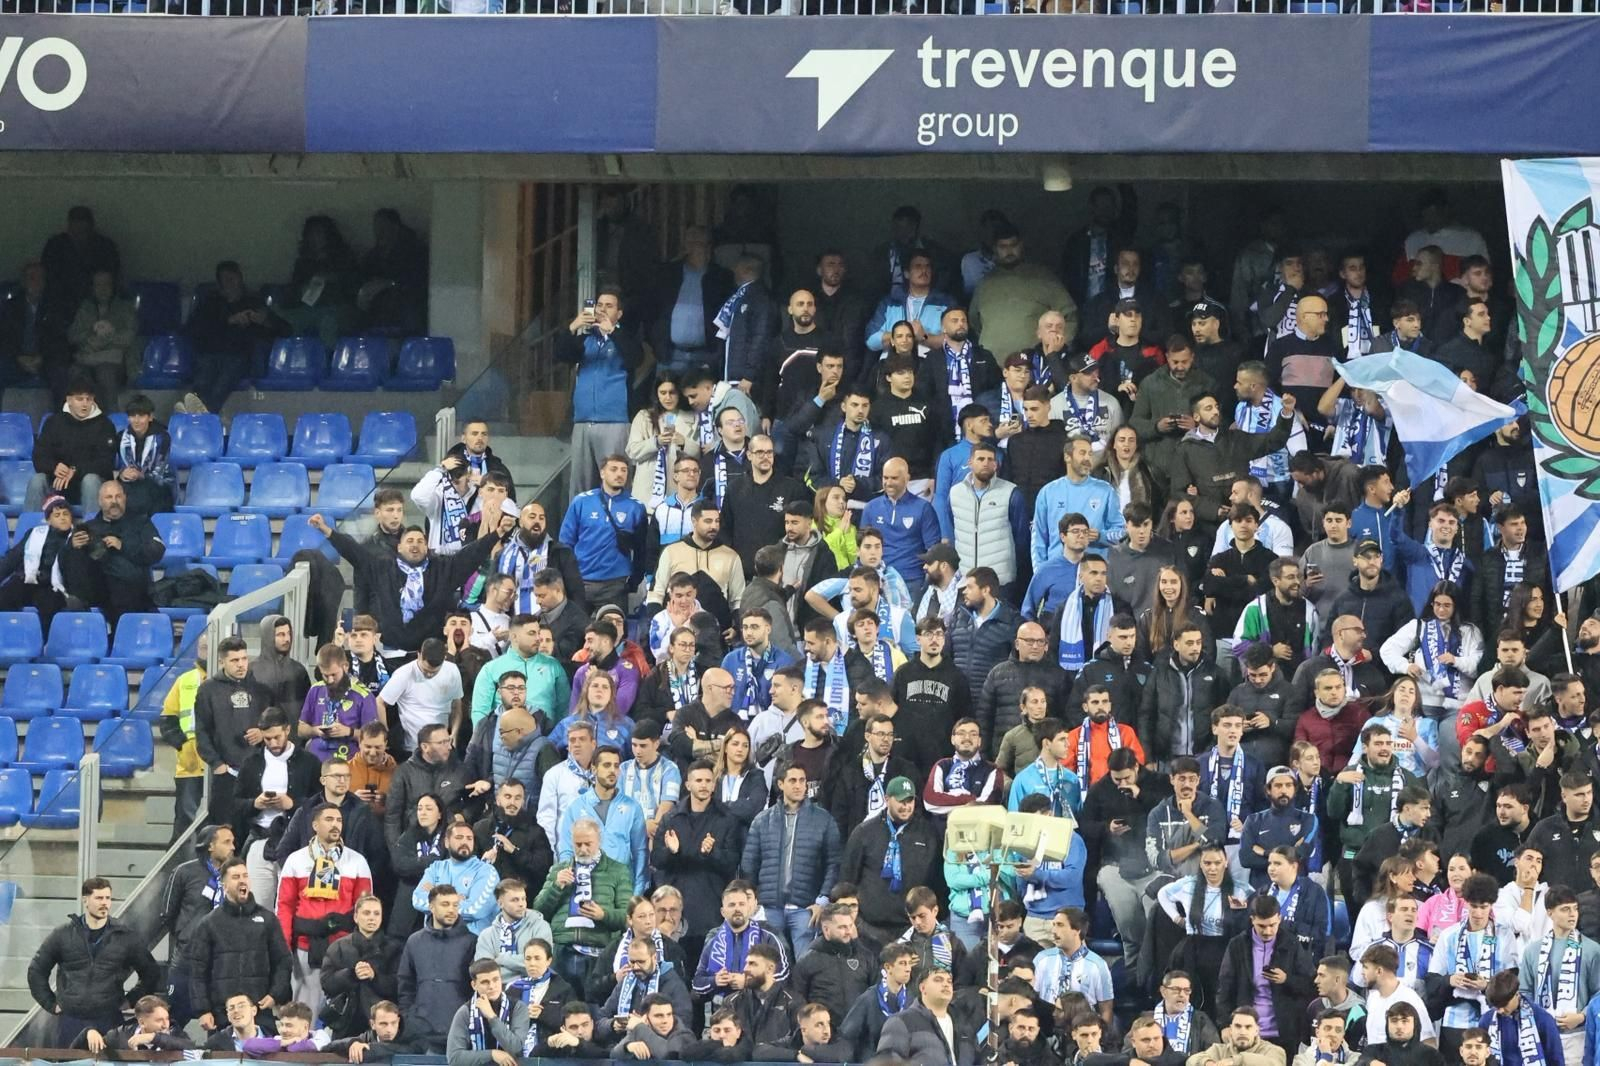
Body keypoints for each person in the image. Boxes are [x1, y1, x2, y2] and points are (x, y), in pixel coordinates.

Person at [27, 877, 162, 1051]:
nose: (104, 903)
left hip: (109, 1019)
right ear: (85, 900)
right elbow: (36, 971)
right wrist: (51, 1003)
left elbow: (151, 972)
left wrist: (130, 1001)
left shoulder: (125, 937)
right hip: (70, 1020)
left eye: (108, 898)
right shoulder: (62, 934)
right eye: (99, 898)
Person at [275, 802, 374, 1012]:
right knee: (303, 1013)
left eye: (339, 820)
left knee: (338, 1012)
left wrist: (361, 948)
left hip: (343, 949)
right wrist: (283, 948)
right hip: (305, 947)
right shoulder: (296, 861)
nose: (335, 825)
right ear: (314, 825)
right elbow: (284, 906)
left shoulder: (357, 862)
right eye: (329, 820)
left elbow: (365, 909)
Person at [188, 857, 294, 1033]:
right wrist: (203, 1010)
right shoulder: (208, 924)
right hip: (222, 1015)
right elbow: (198, 971)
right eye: (236, 877)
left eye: (245, 875)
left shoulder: (268, 920)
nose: (242, 880)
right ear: (224, 884)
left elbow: (283, 962)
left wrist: (275, 994)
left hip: (260, 1011)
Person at [556, 289, 644, 496]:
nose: (602, 309)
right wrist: (573, 326)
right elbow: (560, 354)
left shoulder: (625, 338)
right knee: (580, 486)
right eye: (599, 305)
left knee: (617, 481)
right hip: (583, 420)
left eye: (609, 306)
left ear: (619, 314)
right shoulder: (586, 340)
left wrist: (612, 332)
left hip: (614, 420)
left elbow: (636, 358)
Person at [1215, 895, 1314, 1058]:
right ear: (1252, 919)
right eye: (1262, 926)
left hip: (1283, 1031)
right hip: (1246, 1032)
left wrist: (1287, 980)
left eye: (1272, 925)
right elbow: (1224, 988)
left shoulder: (1291, 944)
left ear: (1280, 919)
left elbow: (1310, 984)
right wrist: (1225, 1024)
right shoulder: (1237, 945)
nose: (1268, 931)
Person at [397, 884, 478, 1053]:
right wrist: (410, 1018)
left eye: (455, 905)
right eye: (445, 904)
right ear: (431, 907)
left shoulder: (471, 941)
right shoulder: (414, 941)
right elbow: (405, 984)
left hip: (460, 1033)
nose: (451, 910)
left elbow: (477, 987)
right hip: (422, 1034)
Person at [317, 894, 402, 1041]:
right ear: (356, 917)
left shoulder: (394, 948)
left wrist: (374, 977)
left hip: (380, 1026)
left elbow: (399, 985)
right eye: (366, 913)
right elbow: (327, 984)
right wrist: (351, 974)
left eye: (376, 913)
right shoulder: (338, 947)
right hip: (344, 1023)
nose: (372, 918)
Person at [0, 494, 77, 634]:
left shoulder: (76, 538)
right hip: (27, 580)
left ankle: (45, 645)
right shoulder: (34, 533)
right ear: (48, 520)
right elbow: (13, 557)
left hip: (54, 585)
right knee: (4, 597)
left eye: (66, 514)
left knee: (50, 606)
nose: (62, 517)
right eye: (57, 515)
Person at [876, 967, 977, 1066]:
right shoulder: (901, 1022)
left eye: (949, 981)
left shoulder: (964, 1024)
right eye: (938, 980)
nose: (946, 984)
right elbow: (887, 1061)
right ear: (923, 988)